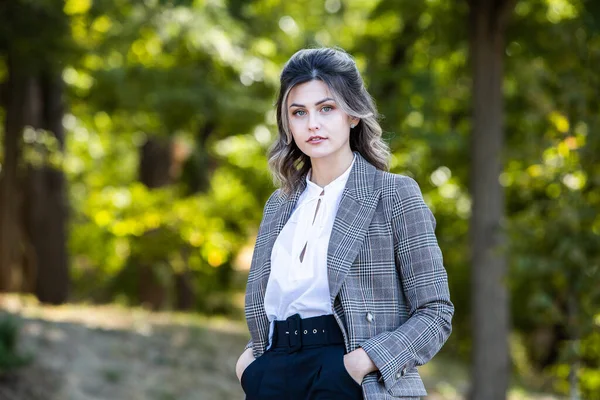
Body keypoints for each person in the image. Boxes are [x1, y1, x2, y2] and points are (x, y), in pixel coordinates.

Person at [235, 47, 454, 400]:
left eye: (326, 108)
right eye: (299, 112)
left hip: (348, 376)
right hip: (272, 376)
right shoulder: (279, 206)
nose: (313, 124)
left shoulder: (394, 194)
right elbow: (275, 303)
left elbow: (435, 312)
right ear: (287, 122)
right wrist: (249, 366)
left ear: (353, 114)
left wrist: (361, 363)